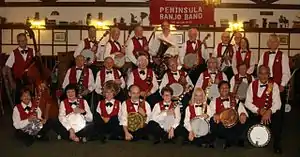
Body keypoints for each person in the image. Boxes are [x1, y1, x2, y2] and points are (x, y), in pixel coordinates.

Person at [244, 65, 283, 154]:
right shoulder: (252, 85)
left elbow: (278, 103)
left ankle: (277, 144)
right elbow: (247, 102)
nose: (263, 76)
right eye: (261, 74)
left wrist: (269, 111)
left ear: (269, 74)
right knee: (246, 125)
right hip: (256, 113)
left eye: (266, 74)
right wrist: (258, 110)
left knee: (277, 118)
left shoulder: (274, 85)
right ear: (258, 74)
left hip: (269, 114)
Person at [257, 34, 291, 116]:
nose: (272, 43)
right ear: (268, 43)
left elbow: (286, 73)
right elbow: (259, 69)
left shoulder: (283, 55)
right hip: (265, 84)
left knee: (277, 108)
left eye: (274, 41)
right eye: (270, 41)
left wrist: (282, 85)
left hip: (277, 85)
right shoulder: (264, 54)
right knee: (265, 105)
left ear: (278, 43)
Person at [209, 81, 248, 149]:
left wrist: (242, 114)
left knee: (245, 119)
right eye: (222, 88)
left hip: (234, 125)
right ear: (218, 90)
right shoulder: (214, 101)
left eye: (226, 87)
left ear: (229, 89)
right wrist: (215, 115)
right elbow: (209, 113)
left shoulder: (235, 100)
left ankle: (229, 140)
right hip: (222, 126)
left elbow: (242, 111)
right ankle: (233, 140)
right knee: (213, 121)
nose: (224, 89)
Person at [5, 33, 36, 104]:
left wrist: (38, 57)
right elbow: (8, 67)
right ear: (18, 42)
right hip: (19, 79)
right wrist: (11, 82)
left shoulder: (32, 51)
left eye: (24, 40)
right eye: (20, 41)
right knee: (19, 94)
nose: (22, 42)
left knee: (35, 91)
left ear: (26, 40)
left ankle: (33, 108)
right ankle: (19, 110)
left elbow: (36, 64)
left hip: (31, 78)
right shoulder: (14, 53)